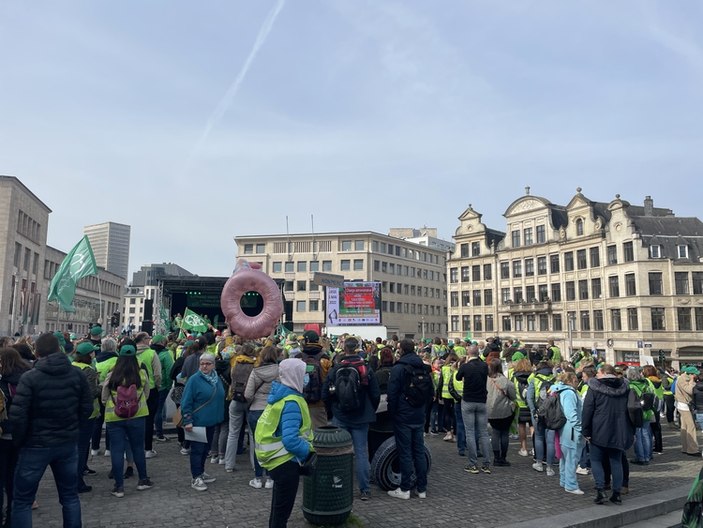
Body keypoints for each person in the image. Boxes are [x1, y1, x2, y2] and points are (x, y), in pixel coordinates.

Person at [9, 333, 93, 527]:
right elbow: (86, 408)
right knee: (70, 497)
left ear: (37, 352)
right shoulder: (77, 374)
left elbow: (18, 415)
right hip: (66, 442)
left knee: (22, 500)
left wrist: (19, 441)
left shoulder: (30, 378)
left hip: (35, 444)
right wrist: (73, 427)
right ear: (59, 349)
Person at [255, 358, 314, 528]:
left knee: (278, 509)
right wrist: (308, 453)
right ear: (295, 375)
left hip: (276, 461)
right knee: (282, 512)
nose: (307, 377)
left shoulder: (280, 396)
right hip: (286, 462)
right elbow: (290, 439)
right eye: (304, 374)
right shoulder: (292, 402)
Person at [322, 336, 380, 501]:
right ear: (357, 348)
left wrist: (332, 410)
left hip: (341, 416)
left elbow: (325, 393)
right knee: (361, 453)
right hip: (361, 417)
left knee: (339, 452)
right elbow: (375, 394)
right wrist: (370, 409)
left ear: (343, 348)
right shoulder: (365, 368)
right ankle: (365, 490)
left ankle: (339, 486)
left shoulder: (337, 367)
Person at [102, 339, 154, 498]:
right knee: (138, 447)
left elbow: (104, 396)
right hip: (137, 415)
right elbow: (146, 394)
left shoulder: (112, 374)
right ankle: (143, 480)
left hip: (114, 417)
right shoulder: (141, 374)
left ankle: (119, 487)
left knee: (117, 450)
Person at [582, 363, 633, 506]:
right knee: (616, 461)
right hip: (619, 429)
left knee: (596, 460)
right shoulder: (624, 387)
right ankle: (616, 493)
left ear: (604, 373)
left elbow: (587, 410)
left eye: (598, 372)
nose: (596, 375)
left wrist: (585, 430)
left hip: (599, 429)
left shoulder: (594, 388)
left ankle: (601, 490)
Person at [386, 339, 431, 499]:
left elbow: (392, 394)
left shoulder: (398, 368)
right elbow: (429, 393)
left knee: (405, 452)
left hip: (403, 415)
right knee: (419, 451)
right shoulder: (424, 368)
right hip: (419, 414)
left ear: (401, 350)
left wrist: (393, 413)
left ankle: (405, 489)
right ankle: (422, 488)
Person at [180, 352, 225, 492]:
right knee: (197, 450)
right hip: (197, 421)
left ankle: (201, 472)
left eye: (208, 364)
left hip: (211, 421)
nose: (204, 366)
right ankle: (196, 477)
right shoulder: (194, 380)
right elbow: (186, 401)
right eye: (202, 364)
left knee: (206, 450)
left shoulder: (216, 378)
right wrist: (187, 420)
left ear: (213, 365)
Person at [0, 347, 31, 527]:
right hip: (21, 435)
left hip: (3, 434)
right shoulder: (28, 378)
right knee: (14, 480)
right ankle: (12, 519)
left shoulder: (2, 381)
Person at [244, 345, 280, 489]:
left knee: (258, 444)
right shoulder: (280, 371)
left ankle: (258, 478)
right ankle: (271, 477)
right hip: (273, 410)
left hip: (256, 410)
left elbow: (247, 394)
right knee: (273, 443)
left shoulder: (255, 372)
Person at [456, 344, 493, 475]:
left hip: (468, 400)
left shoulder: (465, 366)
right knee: (483, 433)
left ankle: (473, 463)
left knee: (470, 432)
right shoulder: (484, 366)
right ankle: (486, 464)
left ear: (468, 353)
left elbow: (457, 377)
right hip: (481, 401)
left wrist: (464, 364)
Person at [71, 341, 101, 494]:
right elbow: (92, 392)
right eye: (93, 353)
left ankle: (81, 469)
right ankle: (78, 480)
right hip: (88, 413)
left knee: (78, 445)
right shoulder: (88, 370)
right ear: (89, 355)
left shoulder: (72, 366)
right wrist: (103, 386)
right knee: (82, 447)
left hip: (73, 411)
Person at [224, 342, 257, 472]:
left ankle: (229, 464)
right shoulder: (255, 365)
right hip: (251, 401)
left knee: (233, 433)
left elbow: (228, 345)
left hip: (235, 399)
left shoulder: (234, 362)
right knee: (254, 435)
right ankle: (255, 465)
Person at [552, 371, 584, 494]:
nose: (577, 381)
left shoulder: (560, 391)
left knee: (565, 458)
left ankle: (564, 480)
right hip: (571, 431)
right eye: (575, 379)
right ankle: (571, 485)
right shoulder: (570, 393)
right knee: (572, 457)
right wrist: (580, 428)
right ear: (571, 380)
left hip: (565, 429)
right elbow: (571, 413)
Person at [134, 332, 162, 459]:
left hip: (133, 389)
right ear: (144, 340)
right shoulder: (151, 353)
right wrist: (158, 385)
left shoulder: (130, 352)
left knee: (134, 419)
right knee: (149, 420)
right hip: (150, 389)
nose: (150, 340)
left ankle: (134, 447)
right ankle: (148, 449)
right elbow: (157, 374)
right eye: (149, 338)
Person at [527, 361, 557, 475]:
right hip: (552, 414)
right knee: (550, 441)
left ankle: (539, 463)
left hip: (538, 413)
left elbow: (529, 398)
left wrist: (533, 411)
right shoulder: (555, 379)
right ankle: (549, 467)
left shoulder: (534, 380)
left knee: (539, 437)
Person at [486, 358, 516, 467]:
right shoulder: (505, 381)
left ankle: (496, 457)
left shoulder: (486, 380)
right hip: (504, 411)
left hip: (490, 411)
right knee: (504, 433)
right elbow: (513, 396)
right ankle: (503, 457)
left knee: (495, 432)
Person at [299, 330, 332, 430]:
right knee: (320, 434)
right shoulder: (325, 358)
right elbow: (330, 378)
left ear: (306, 341)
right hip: (320, 402)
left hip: (300, 401)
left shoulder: (298, 358)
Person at [92, 337, 119, 457]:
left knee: (98, 421)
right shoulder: (116, 360)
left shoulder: (95, 360)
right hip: (111, 394)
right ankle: (108, 448)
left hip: (97, 392)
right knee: (109, 421)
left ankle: (94, 448)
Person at [627, 367, 654, 465]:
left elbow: (631, 404)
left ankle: (641, 457)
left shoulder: (631, 386)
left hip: (638, 413)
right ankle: (647, 456)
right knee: (646, 434)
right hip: (648, 411)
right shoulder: (645, 383)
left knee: (638, 436)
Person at [152, 334, 174, 443]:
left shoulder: (148, 353)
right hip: (161, 386)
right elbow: (169, 371)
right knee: (158, 410)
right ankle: (159, 434)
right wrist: (168, 385)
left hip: (149, 386)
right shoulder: (165, 354)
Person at [676, 365, 700, 456]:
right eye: (694, 374)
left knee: (684, 426)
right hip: (683, 405)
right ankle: (692, 449)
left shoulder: (682, 378)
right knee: (691, 426)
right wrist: (692, 381)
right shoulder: (683, 379)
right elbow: (689, 390)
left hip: (683, 404)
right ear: (690, 374)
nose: (696, 376)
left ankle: (685, 447)